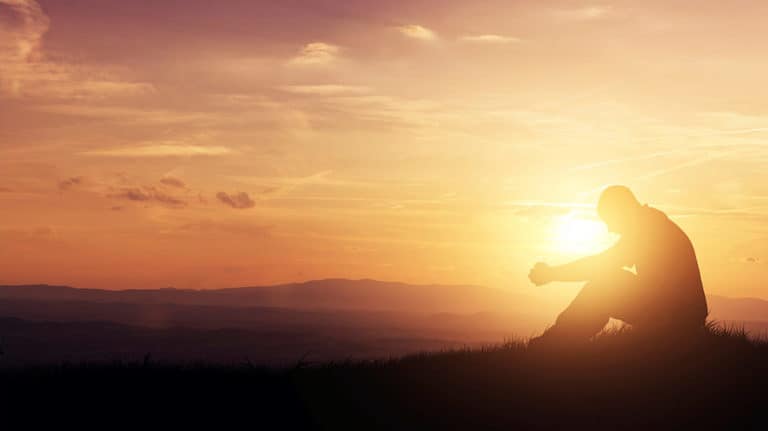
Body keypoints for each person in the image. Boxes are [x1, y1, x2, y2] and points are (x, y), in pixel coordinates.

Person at [528, 185, 708, 345]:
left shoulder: (648, 230)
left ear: (621, 211)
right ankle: (561, 341)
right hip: (683, 317)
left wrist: (552, 274)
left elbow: (601, 264)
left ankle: (556, 344)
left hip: (677, 321)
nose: (609, 229)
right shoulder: (652, 224)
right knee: (608, 280)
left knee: (604, 284)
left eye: (609, 220)